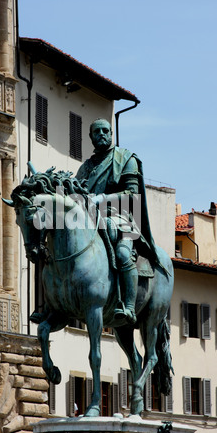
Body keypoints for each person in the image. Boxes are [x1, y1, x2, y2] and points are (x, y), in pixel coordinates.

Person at [76, 119, 158, 325]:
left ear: (111, 133)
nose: (101, 134)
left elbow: (132, 194)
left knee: (122, 253)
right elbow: (76, 194)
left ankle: (129, 306)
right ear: (91, 137)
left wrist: (103, 198)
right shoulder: (86, 167)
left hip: (121, 218)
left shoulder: (126, 159)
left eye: (105, 131)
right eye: (96, 132)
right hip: (91, 219)